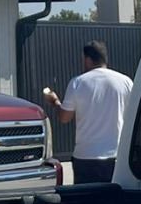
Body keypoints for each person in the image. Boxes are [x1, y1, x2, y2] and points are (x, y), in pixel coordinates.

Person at [42, 42, 133, 183]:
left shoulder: (78, 83)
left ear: (88, 59)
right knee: (114, 196)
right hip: (116, 156)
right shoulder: (125, 82)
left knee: (86, 196)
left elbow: (64, 117)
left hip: (86, 157)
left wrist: (55, 102)